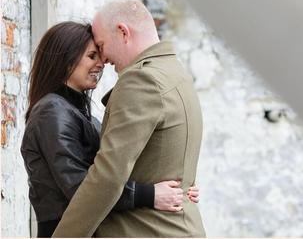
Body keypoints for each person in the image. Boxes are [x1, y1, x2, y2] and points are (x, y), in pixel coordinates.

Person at [21, 21, 199, 237]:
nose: (101, 64)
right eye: (92, 56)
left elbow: (115, 171)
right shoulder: (51, 113)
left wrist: (176, 190)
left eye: (100, 55)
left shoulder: (82, 115)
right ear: (66, 60)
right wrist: (150, 194)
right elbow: (81, 187)